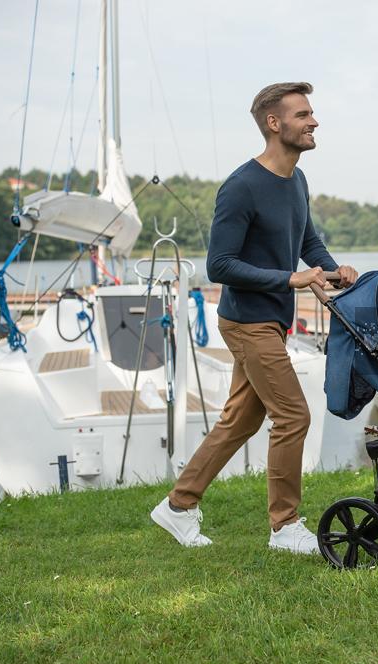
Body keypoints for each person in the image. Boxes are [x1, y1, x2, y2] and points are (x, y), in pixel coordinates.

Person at [150, 82, 358, 554]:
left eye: (311, 113)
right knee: (293, 415)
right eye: (303, 114)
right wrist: (290, 279)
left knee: (240, 422)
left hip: (272, 319)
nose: (314, 121)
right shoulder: (241, 186)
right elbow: (219, 265)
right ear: (274, 123)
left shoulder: (297, 181)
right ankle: (285, 527)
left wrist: (332, 271)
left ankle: (178, 505)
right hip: (247, 321)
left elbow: (307, 240)